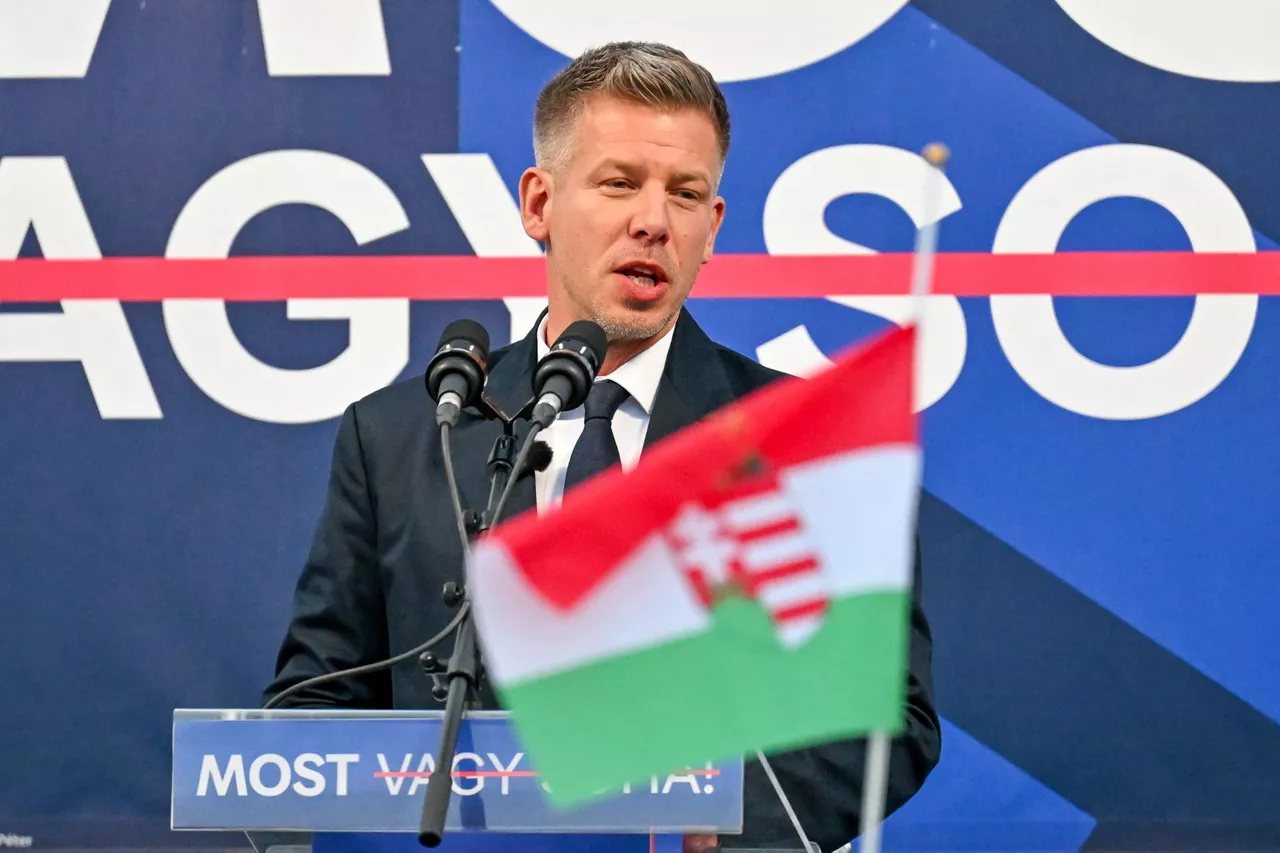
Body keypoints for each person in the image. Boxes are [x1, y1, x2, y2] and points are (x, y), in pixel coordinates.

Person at [263, 41, 940, 852]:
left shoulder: (796, 440)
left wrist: (703, 820)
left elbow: (884, 719)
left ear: (712, 225)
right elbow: (314, 703)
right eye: (620, 182)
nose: (653, 220)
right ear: (539, 203)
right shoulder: (402, 435)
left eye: (685, 193)